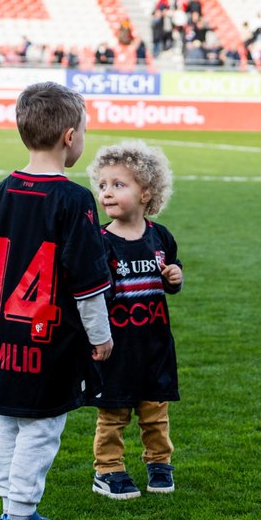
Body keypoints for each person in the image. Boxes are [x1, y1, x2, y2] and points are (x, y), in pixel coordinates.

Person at [0, 82, 114, 520]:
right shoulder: (73, 201)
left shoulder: (0, 192)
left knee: (9, 421)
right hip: (48, 339)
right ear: (70, 137)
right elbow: (88, 282)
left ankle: (9, 505)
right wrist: (101, 336)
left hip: (4, 337)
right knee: (43, 426)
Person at [86, 141, 183, 500]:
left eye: (118, 184)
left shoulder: (160, 237)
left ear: (146, 193)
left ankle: (159, 462)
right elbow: (91, 291)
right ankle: (108, 469)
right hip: (116, 347)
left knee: (155, 411)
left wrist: (175, 276)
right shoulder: (100, 241)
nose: (107, 192)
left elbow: (171, 272)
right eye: (103, 185)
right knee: (112, 413)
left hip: (155, 345)